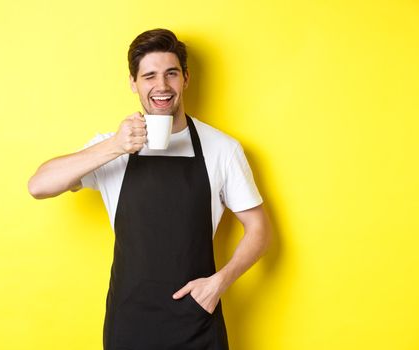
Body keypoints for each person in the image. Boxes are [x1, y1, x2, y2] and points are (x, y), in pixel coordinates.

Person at [28, 28, 271, 350]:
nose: (162, 86)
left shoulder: (221, 148)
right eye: (149, 76)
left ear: (185, 78)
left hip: (196, 317)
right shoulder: (111, 146)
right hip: (129, 320)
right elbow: (39, 186)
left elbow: (259, 228)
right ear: (133, 82)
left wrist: (219, 284)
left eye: (171, 74)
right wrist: (115, 146)